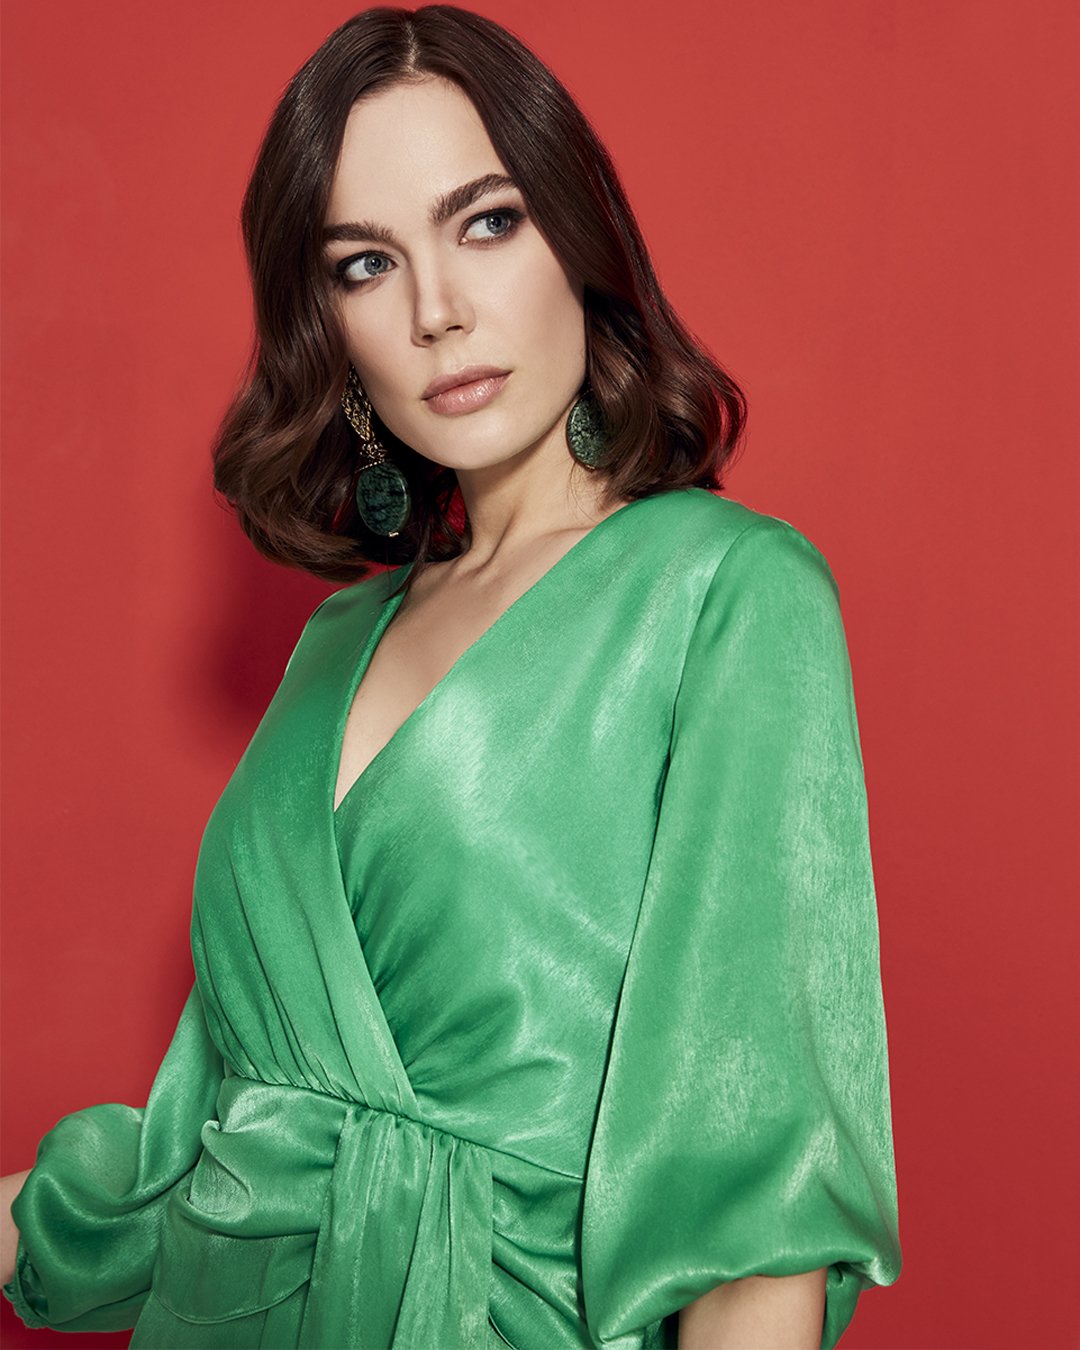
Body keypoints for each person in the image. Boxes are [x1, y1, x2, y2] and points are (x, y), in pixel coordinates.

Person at [1, 5, 902, 1348]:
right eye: (368, 263)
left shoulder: (727, 593)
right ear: (328, 320)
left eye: (485, 223)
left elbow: (753, 1217)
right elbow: (218, 1159)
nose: (437, 311)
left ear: (579, 238)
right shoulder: (337, 640)